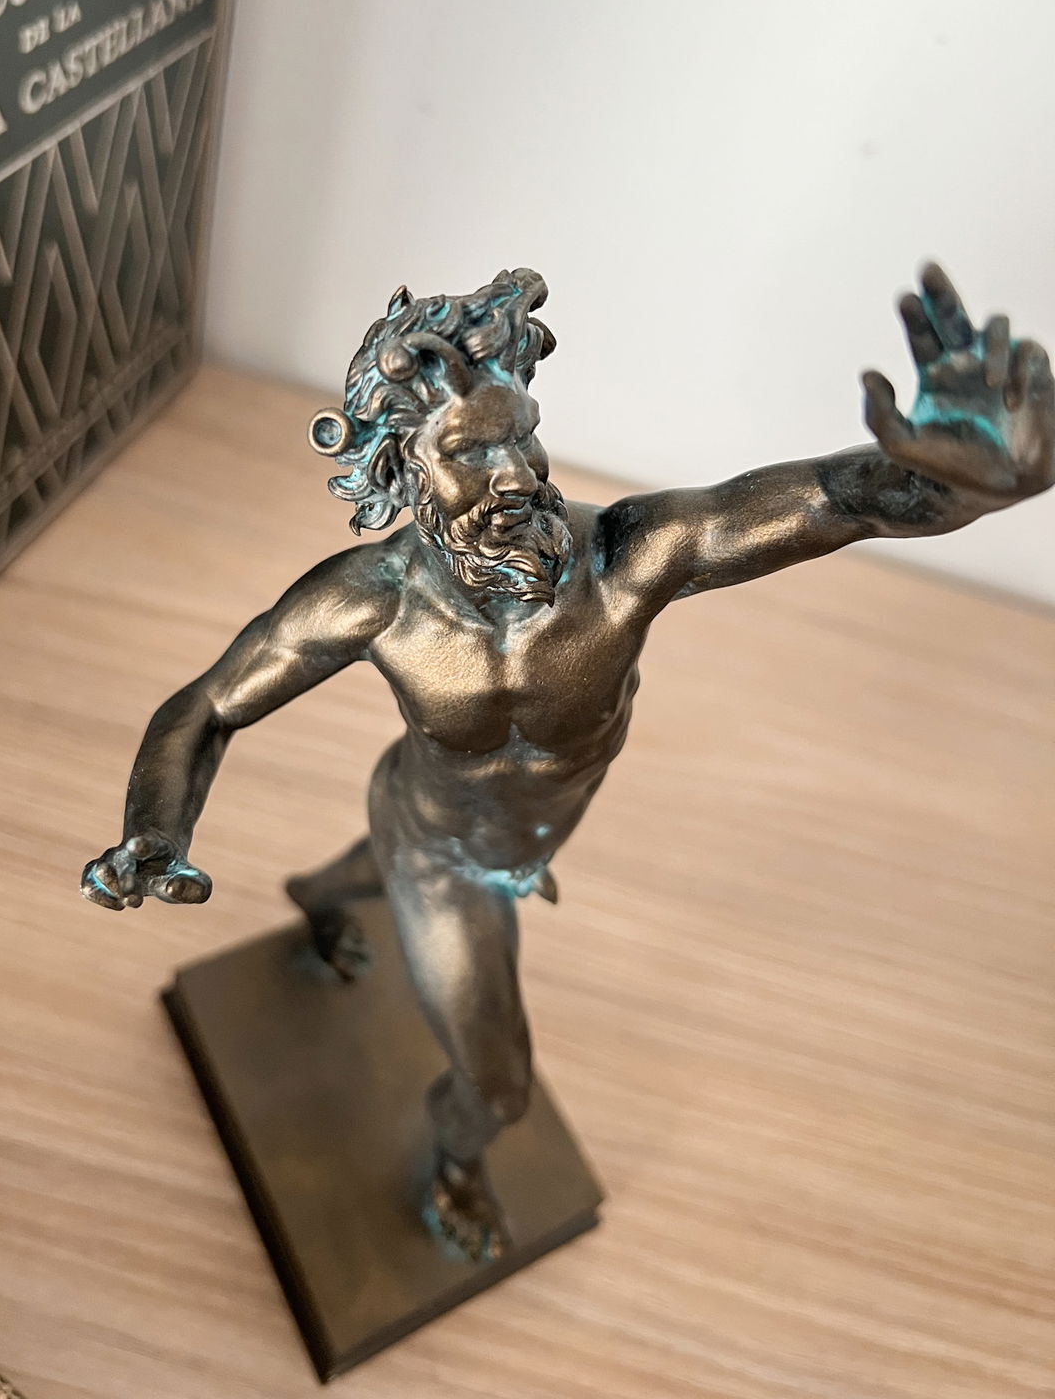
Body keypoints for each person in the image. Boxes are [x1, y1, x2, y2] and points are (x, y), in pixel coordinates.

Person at [81, 263, 1054, 1261]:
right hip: (445, 860)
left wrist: (959, 481)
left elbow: (835, 501)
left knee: (359, 874)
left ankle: (319, 899)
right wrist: (154, 830)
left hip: (475, 828)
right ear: (404, 470)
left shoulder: (627, 559)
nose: (515, 475)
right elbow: (207, 706)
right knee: (499, 1086)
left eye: (521, 437)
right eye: (469, 451)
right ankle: (458, 1170)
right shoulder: (372, 601)